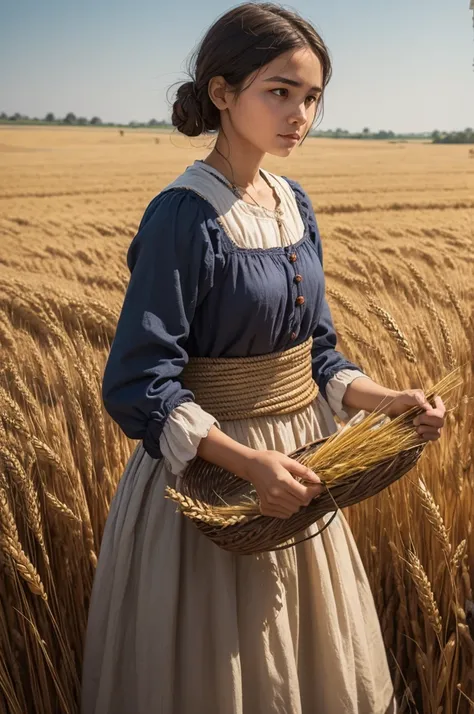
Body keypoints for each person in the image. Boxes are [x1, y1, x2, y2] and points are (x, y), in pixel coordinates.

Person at [80, 4, 446, 713]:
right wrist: (250, 467)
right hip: (212, 483)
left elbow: (318, 353)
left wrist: (386, 400)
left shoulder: (292, 203)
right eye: (279, 91)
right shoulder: (183, 215)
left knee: (304, 668)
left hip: (299, 472)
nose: (299, 114)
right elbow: (136, 382)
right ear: (223, 93)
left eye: (311, 97)